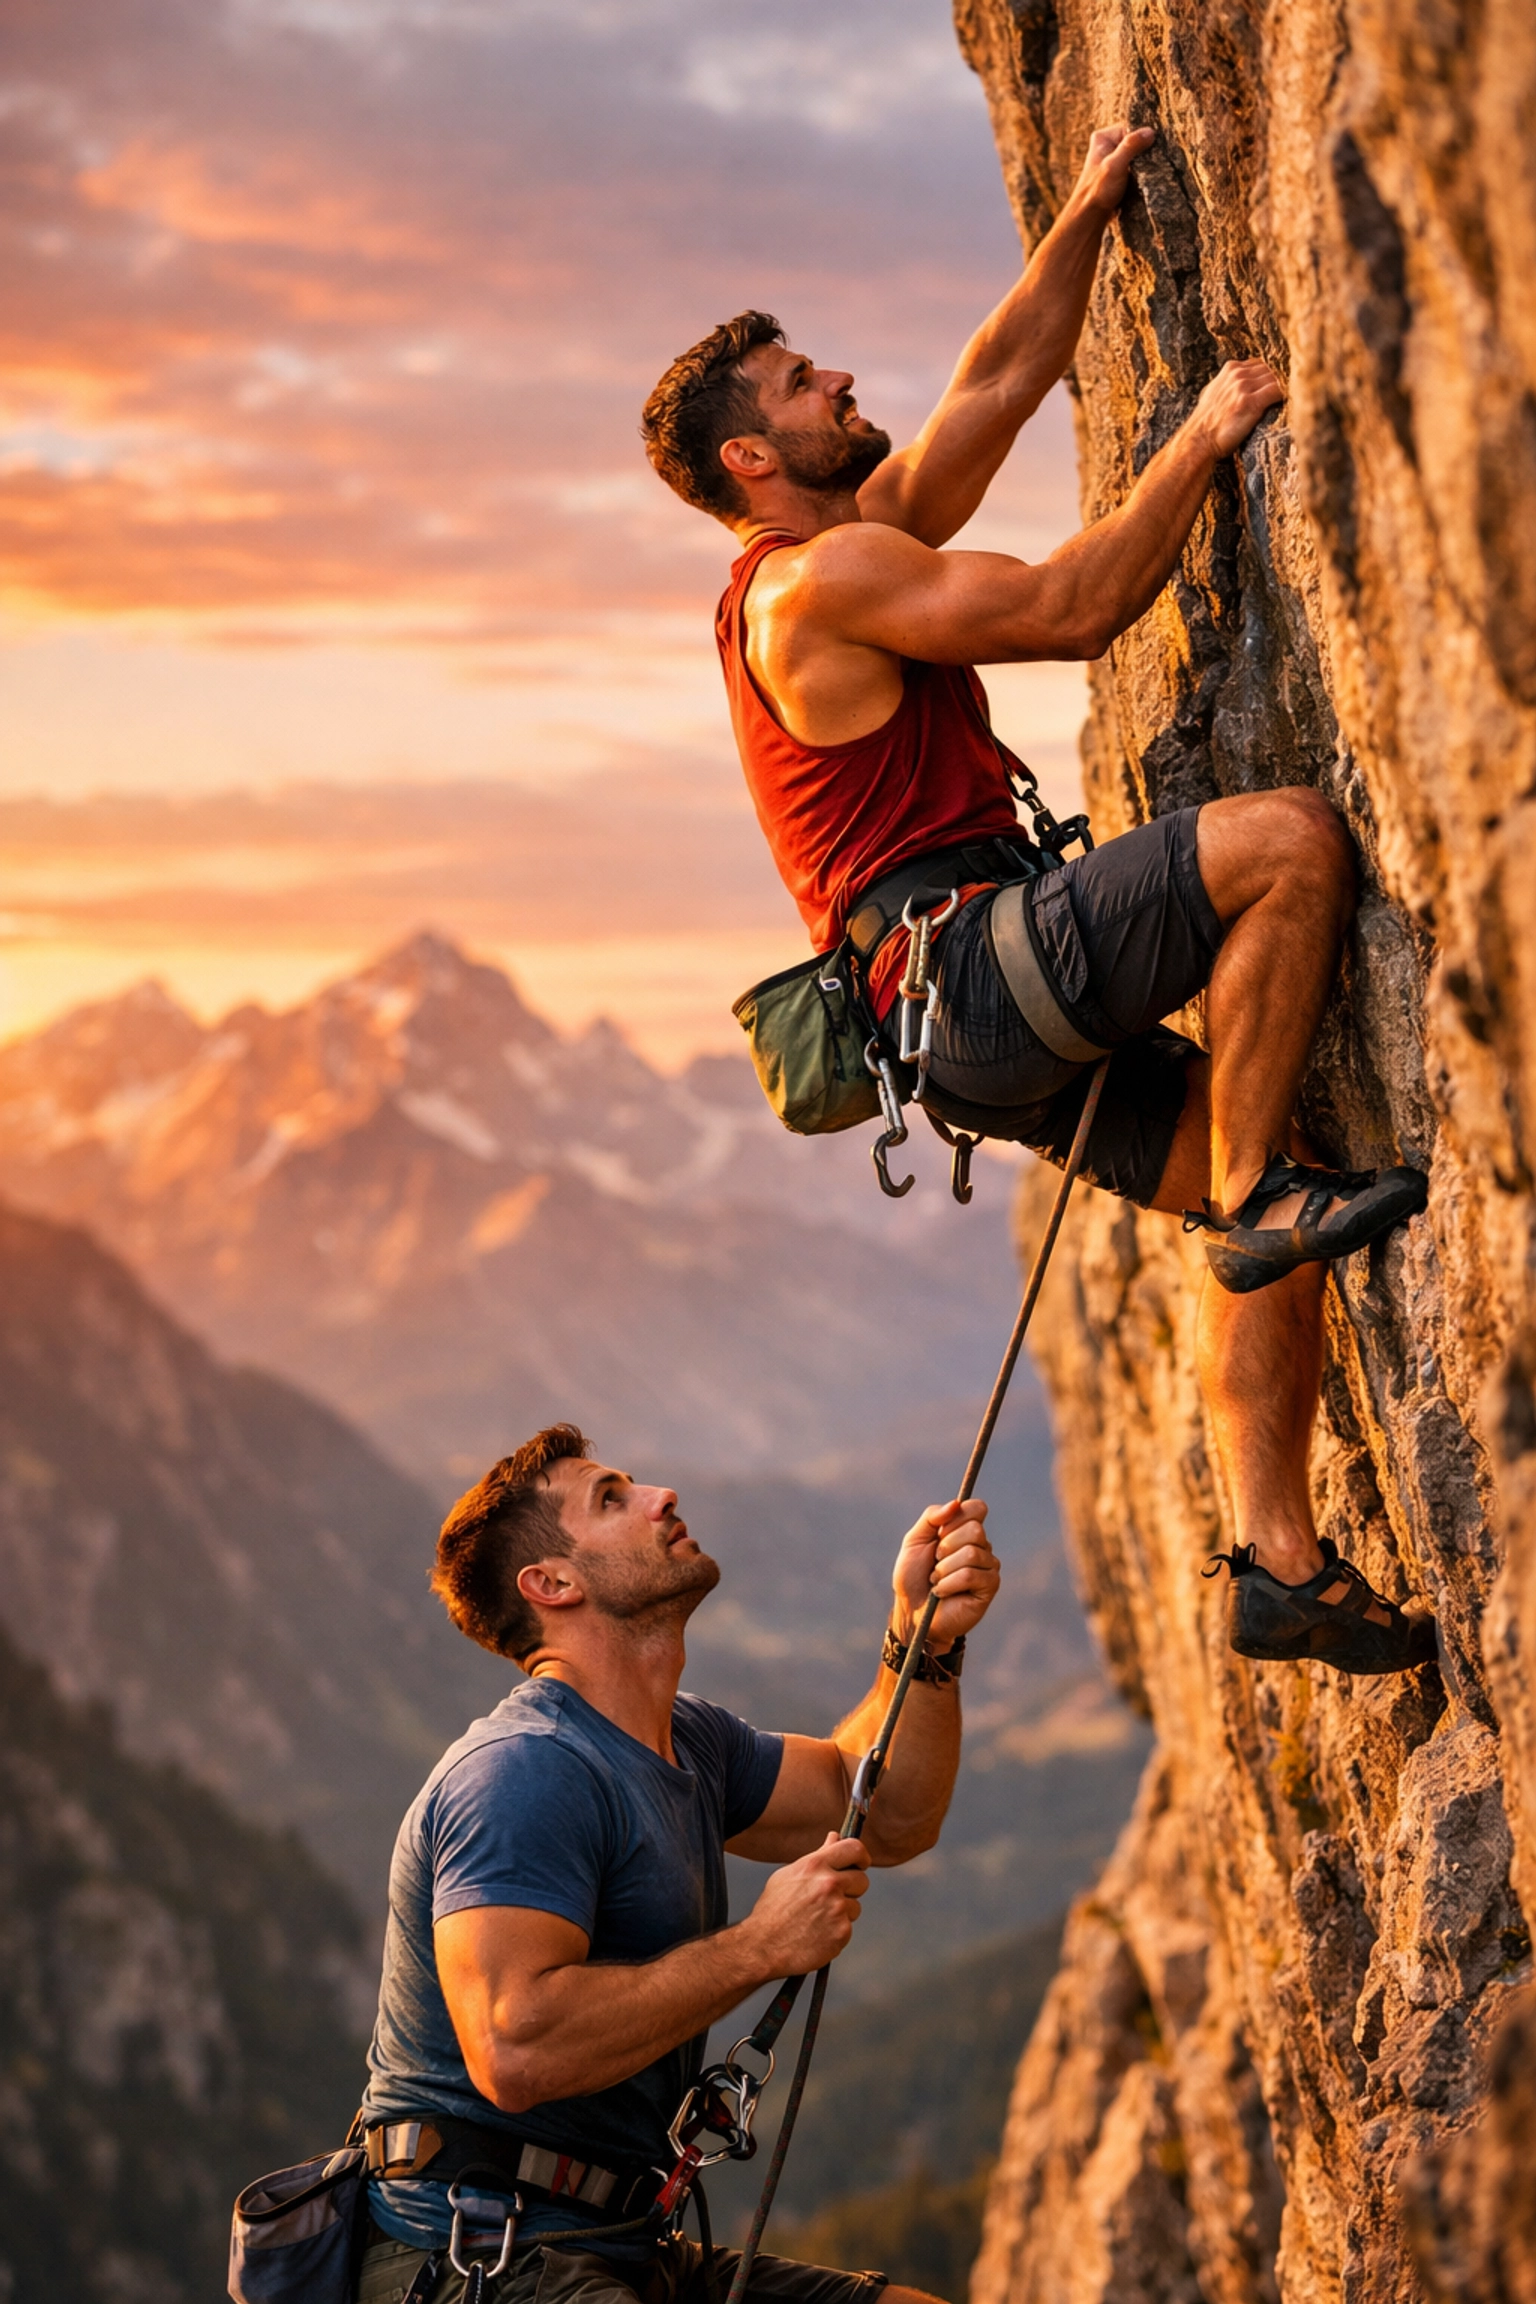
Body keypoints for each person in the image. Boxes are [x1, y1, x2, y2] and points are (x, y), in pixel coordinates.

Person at [638, 123, 1433, 1679]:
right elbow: (1073, 608)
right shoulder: (813, 587)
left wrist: (1081, 213)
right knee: (1286, 847)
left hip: (958, 1018)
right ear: (751, 460)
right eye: (805, 387)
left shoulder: (841, 549)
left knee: (1252, 1185)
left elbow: (992, 388)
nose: (841, 386)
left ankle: (1281, 1563)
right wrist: (1203, 437)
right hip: (976, 973)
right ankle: (1271, 1201)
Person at [356, 1422, 1001, 2304]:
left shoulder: (688, 1740)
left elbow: (880, 1808)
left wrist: (921, 1639)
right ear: (552, 1583)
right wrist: (759, 1947)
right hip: (482, 2257)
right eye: (612, 1498)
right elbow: (515, 2044)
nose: (662, 1497)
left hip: (607, 2241)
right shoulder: (526, 1769)